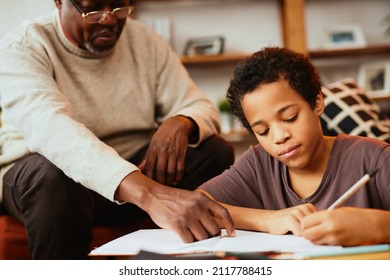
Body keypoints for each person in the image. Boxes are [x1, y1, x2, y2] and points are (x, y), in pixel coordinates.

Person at [0, 0, 235, 259]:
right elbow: (54, 133)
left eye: (118, 6)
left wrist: (181, 122)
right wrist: (151, 195)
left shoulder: (145, 40)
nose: (109, 20)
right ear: (59, 2)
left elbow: (199, 106)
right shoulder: (23, 46)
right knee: (53, 176)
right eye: (94, 9)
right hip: (47, 185)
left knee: (214, 151)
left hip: (127, 180)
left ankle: (199, 260)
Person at [198, 46, 390, 246]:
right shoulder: (259, 163)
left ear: (317, 103)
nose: (279, 137)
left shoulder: (375, 158)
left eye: (290, 118)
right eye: (263, 131)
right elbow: (194, 206)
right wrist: (267, 220)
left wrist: (376, 225)